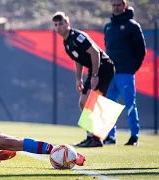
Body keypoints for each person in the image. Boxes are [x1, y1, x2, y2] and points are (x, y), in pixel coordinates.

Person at [52, 12, 115, 147]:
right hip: (94, 70)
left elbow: (95, 52)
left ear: (67, 24)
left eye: (61, 24)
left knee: (95, 102)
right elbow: (78, 60)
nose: (58, 28)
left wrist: (95, 75)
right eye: (56, 25)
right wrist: (78, 79)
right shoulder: (66, 42)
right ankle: (90, 136)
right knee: (83, 102)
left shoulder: (77, 37)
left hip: (104, 68)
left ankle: (97, 139)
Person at [103, 0, 146, 146]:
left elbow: (141, 51)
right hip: (111, 74)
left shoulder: (133, 26)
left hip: (126, 73)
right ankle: (110, 136)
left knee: (130, 104)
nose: (116, 8)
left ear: (124, 6)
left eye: (119, 5)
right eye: (114, 5)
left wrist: (132, 68)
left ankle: (134, 136)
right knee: (109, 105)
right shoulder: (108, 27)